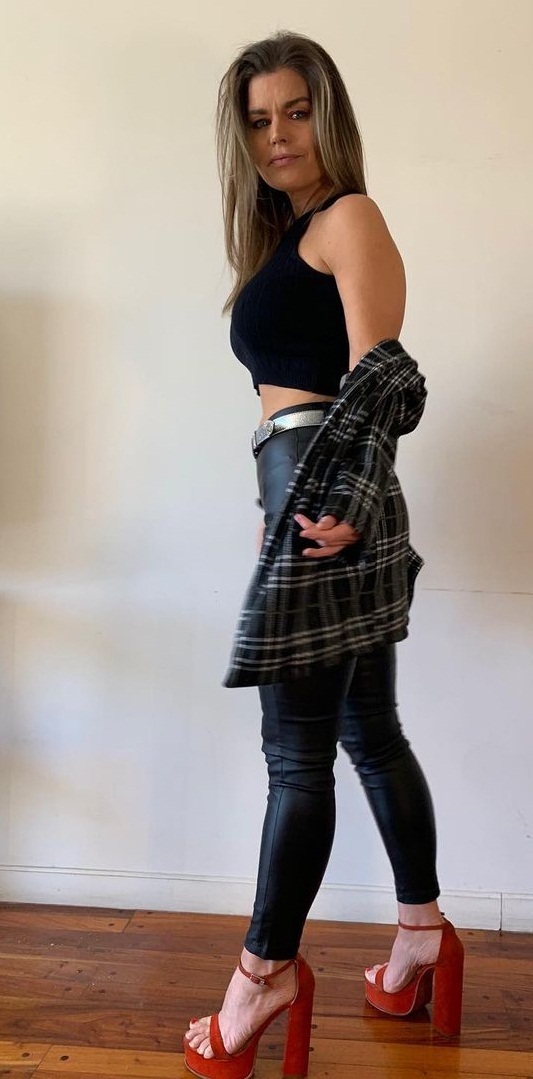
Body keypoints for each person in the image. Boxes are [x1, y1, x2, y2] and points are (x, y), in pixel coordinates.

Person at [184, 30, 464, 1079]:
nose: (277, 136)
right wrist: (284, 496)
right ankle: (421, 932)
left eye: (294, 112)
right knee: (366, 729)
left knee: (296, 755)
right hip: (308, 492)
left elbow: (380, 373)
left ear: (326, 115)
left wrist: (334, 492)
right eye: (258, 121)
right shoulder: (288, 235)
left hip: (333, 496)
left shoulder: (349, 217)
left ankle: (261, 975)